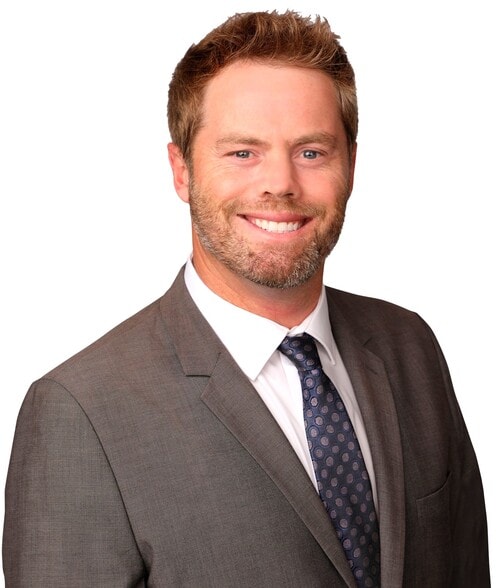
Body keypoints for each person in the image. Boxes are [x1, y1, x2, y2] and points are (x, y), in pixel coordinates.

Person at [2, 9, 490, 587]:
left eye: (311, 152)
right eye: (243, 153)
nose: (280, 183)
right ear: (182, 171)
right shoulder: (80, 413)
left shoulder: (409, 346)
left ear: (352, 165)